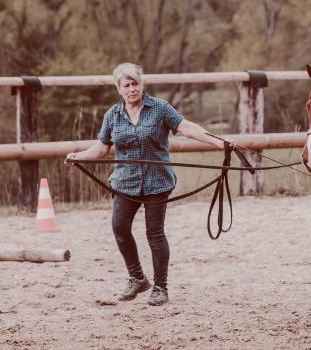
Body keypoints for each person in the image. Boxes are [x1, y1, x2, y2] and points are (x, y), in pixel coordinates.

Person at [66, 63, 231, 306]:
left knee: (154, 233)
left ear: (142, 84)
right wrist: (78, 156)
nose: (132, 89)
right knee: (120, 227)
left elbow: (186, 127)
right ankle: (137, 278)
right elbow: (101, 148)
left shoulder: (160, 108)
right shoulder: (112, 115)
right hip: (125, 182)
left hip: (157, 181)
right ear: (119, 89)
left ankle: (160, 287)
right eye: (126, 85)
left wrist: (219, 142)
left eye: (135, 83)